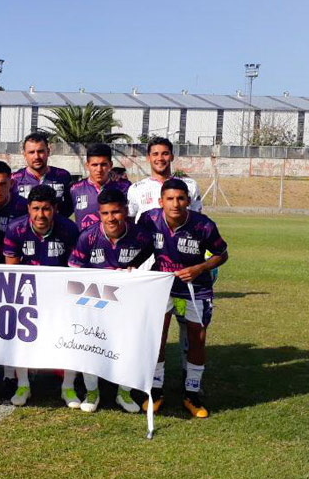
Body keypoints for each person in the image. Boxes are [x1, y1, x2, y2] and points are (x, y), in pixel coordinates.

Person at [138, 179, 228, 418]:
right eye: (170, 198)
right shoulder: (149, 219)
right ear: (161, 201)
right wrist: (130, 267)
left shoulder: (203, 225)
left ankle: (192, 393)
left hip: (196, 287)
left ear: (188, 201)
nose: (175, 203)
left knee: (197, 339)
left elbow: (222, 254)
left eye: (180, 198)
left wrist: (200, 268)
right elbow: (144, 248)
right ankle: (156, 390)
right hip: (162, 285)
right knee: (158, 337)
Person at [66, 188, 153, 413]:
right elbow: (74, 271)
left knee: (129, 344)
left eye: (116, 212)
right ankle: (92, 392)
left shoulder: (141, 236)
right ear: (99, 213)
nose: (111, 218)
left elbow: (153, 256)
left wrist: (135, 269)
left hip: (128, 302)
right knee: (90, 344)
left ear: (125, 211)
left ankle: (123, 393)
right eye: (105, 213)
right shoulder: (88, 237)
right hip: (94, 301)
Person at [126, 136, 203, 382]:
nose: (160, 158)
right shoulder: (136, 189)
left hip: (183, 268)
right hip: (149, 270)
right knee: (152, 325)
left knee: (187, 323)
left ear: (172, 156)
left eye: (165, 153)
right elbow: (132, 228)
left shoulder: (189, 186)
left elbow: (197, 226)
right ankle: (150, 378)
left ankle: (188, 375)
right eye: (155, 154)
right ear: (148, 158)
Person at [3, 185, 79, 406]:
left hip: (61, 293)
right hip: (28, 292)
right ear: (28, 208)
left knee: (69, 337)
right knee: (22, 337)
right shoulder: (15, 229)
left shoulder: (69, 229)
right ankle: (23, 385)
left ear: (55, 209)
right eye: (36, 208)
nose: (40, 214)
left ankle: (68, 387)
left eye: (46, 209)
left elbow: (75, 268)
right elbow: (12, 270)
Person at [69, 143, 128, 231]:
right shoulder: (75, 189)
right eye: (94, 165)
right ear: (87, 165)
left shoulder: (124, 188)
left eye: (103, 164)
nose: (99, 170)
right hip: (85, 239)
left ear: (110, 165)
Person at [11, 132, 73, 216]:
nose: (36, 157)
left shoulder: (63, 176)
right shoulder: (15, 179)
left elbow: (69, 207)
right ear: (25, 155)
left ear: (48, 152)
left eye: (40, 151)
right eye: (31, 152)